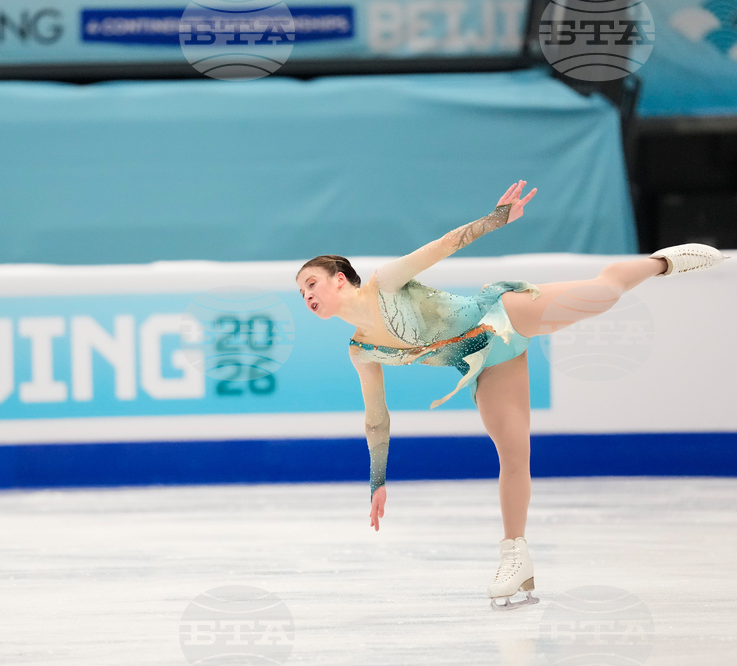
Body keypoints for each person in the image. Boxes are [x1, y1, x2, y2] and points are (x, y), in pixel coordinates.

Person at [294, 180, 730, 610]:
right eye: (301, 292)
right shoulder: (361, 350)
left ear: (339, 279)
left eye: (311, 283)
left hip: (504, 316)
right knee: (514, 453)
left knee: (604, 293)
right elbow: (376, 418)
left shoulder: (384, 283)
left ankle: (661, 263)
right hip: (488, 363)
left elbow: (444, 245)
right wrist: (378, 481)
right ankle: (515, 557)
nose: (307, 295)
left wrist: (496, 219)